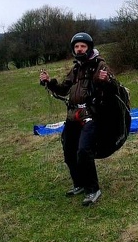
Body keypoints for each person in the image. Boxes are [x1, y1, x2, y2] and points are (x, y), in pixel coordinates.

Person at [39, 32, 118, 206]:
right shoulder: (76, 69)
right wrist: (48, 82)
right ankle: (80, 184)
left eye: (83, 46)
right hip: (73, 116)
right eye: (76, 46)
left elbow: (114, 87)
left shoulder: (99, 64)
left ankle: (93, 189)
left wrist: (107, 81)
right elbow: (62, 89)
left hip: (91, 115)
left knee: (83, 152)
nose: (79, 49)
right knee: (69, 151)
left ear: (89, 48)